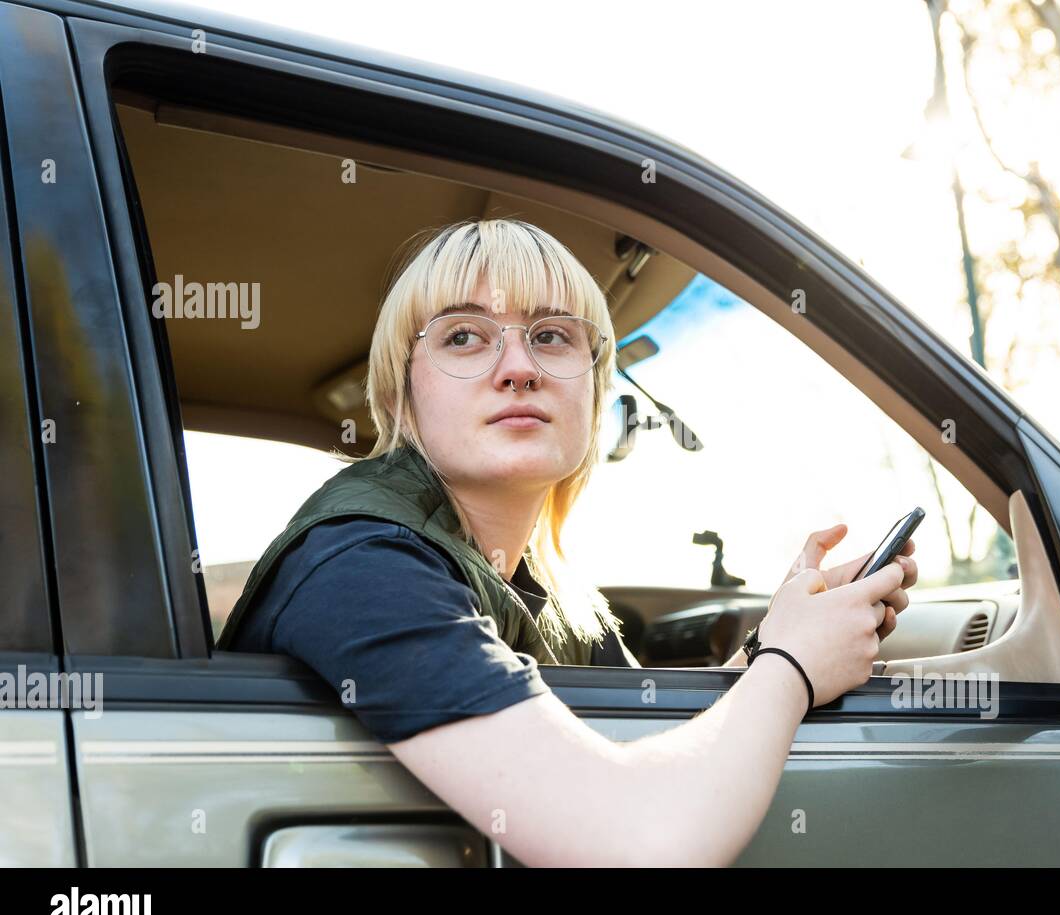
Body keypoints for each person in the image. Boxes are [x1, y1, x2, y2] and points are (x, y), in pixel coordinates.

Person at [222, 217, 918, 866]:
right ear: (403, 395)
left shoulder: (556, 598)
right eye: (464, 336)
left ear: (592, 390)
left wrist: (775, 639)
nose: (517, 366)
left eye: (552, 336)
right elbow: (637, 839)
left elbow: (642, 746)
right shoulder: (362, 568)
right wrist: (791, 669)